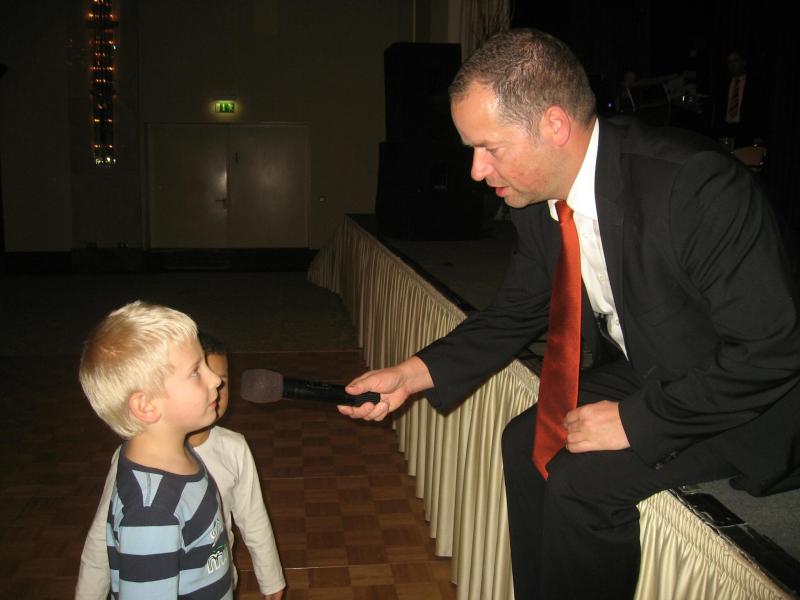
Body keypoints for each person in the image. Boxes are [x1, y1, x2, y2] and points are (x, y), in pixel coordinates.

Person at [338, 29, 800, 599]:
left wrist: (636, 420)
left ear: (554, 125)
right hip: (656, 361)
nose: (476, 171)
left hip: (741, 400)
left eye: (489, 148)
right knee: (524, 441)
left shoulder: (694, 186)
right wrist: (410, 375)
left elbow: (769, 353)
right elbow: (514, 313)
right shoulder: (538, 201)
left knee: (583, 481)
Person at [76, 330, 286, 599]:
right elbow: (100, 543)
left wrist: (271, 579)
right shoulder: (137, 467)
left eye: (223, 381)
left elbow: (253, 518)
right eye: (197, 375)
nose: (215, 386)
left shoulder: (234, 448)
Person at [78, 301, 232, 599]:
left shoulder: (176, 455)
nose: (215, 379)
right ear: (147, 405)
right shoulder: (152, 513)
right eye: (196, 371)